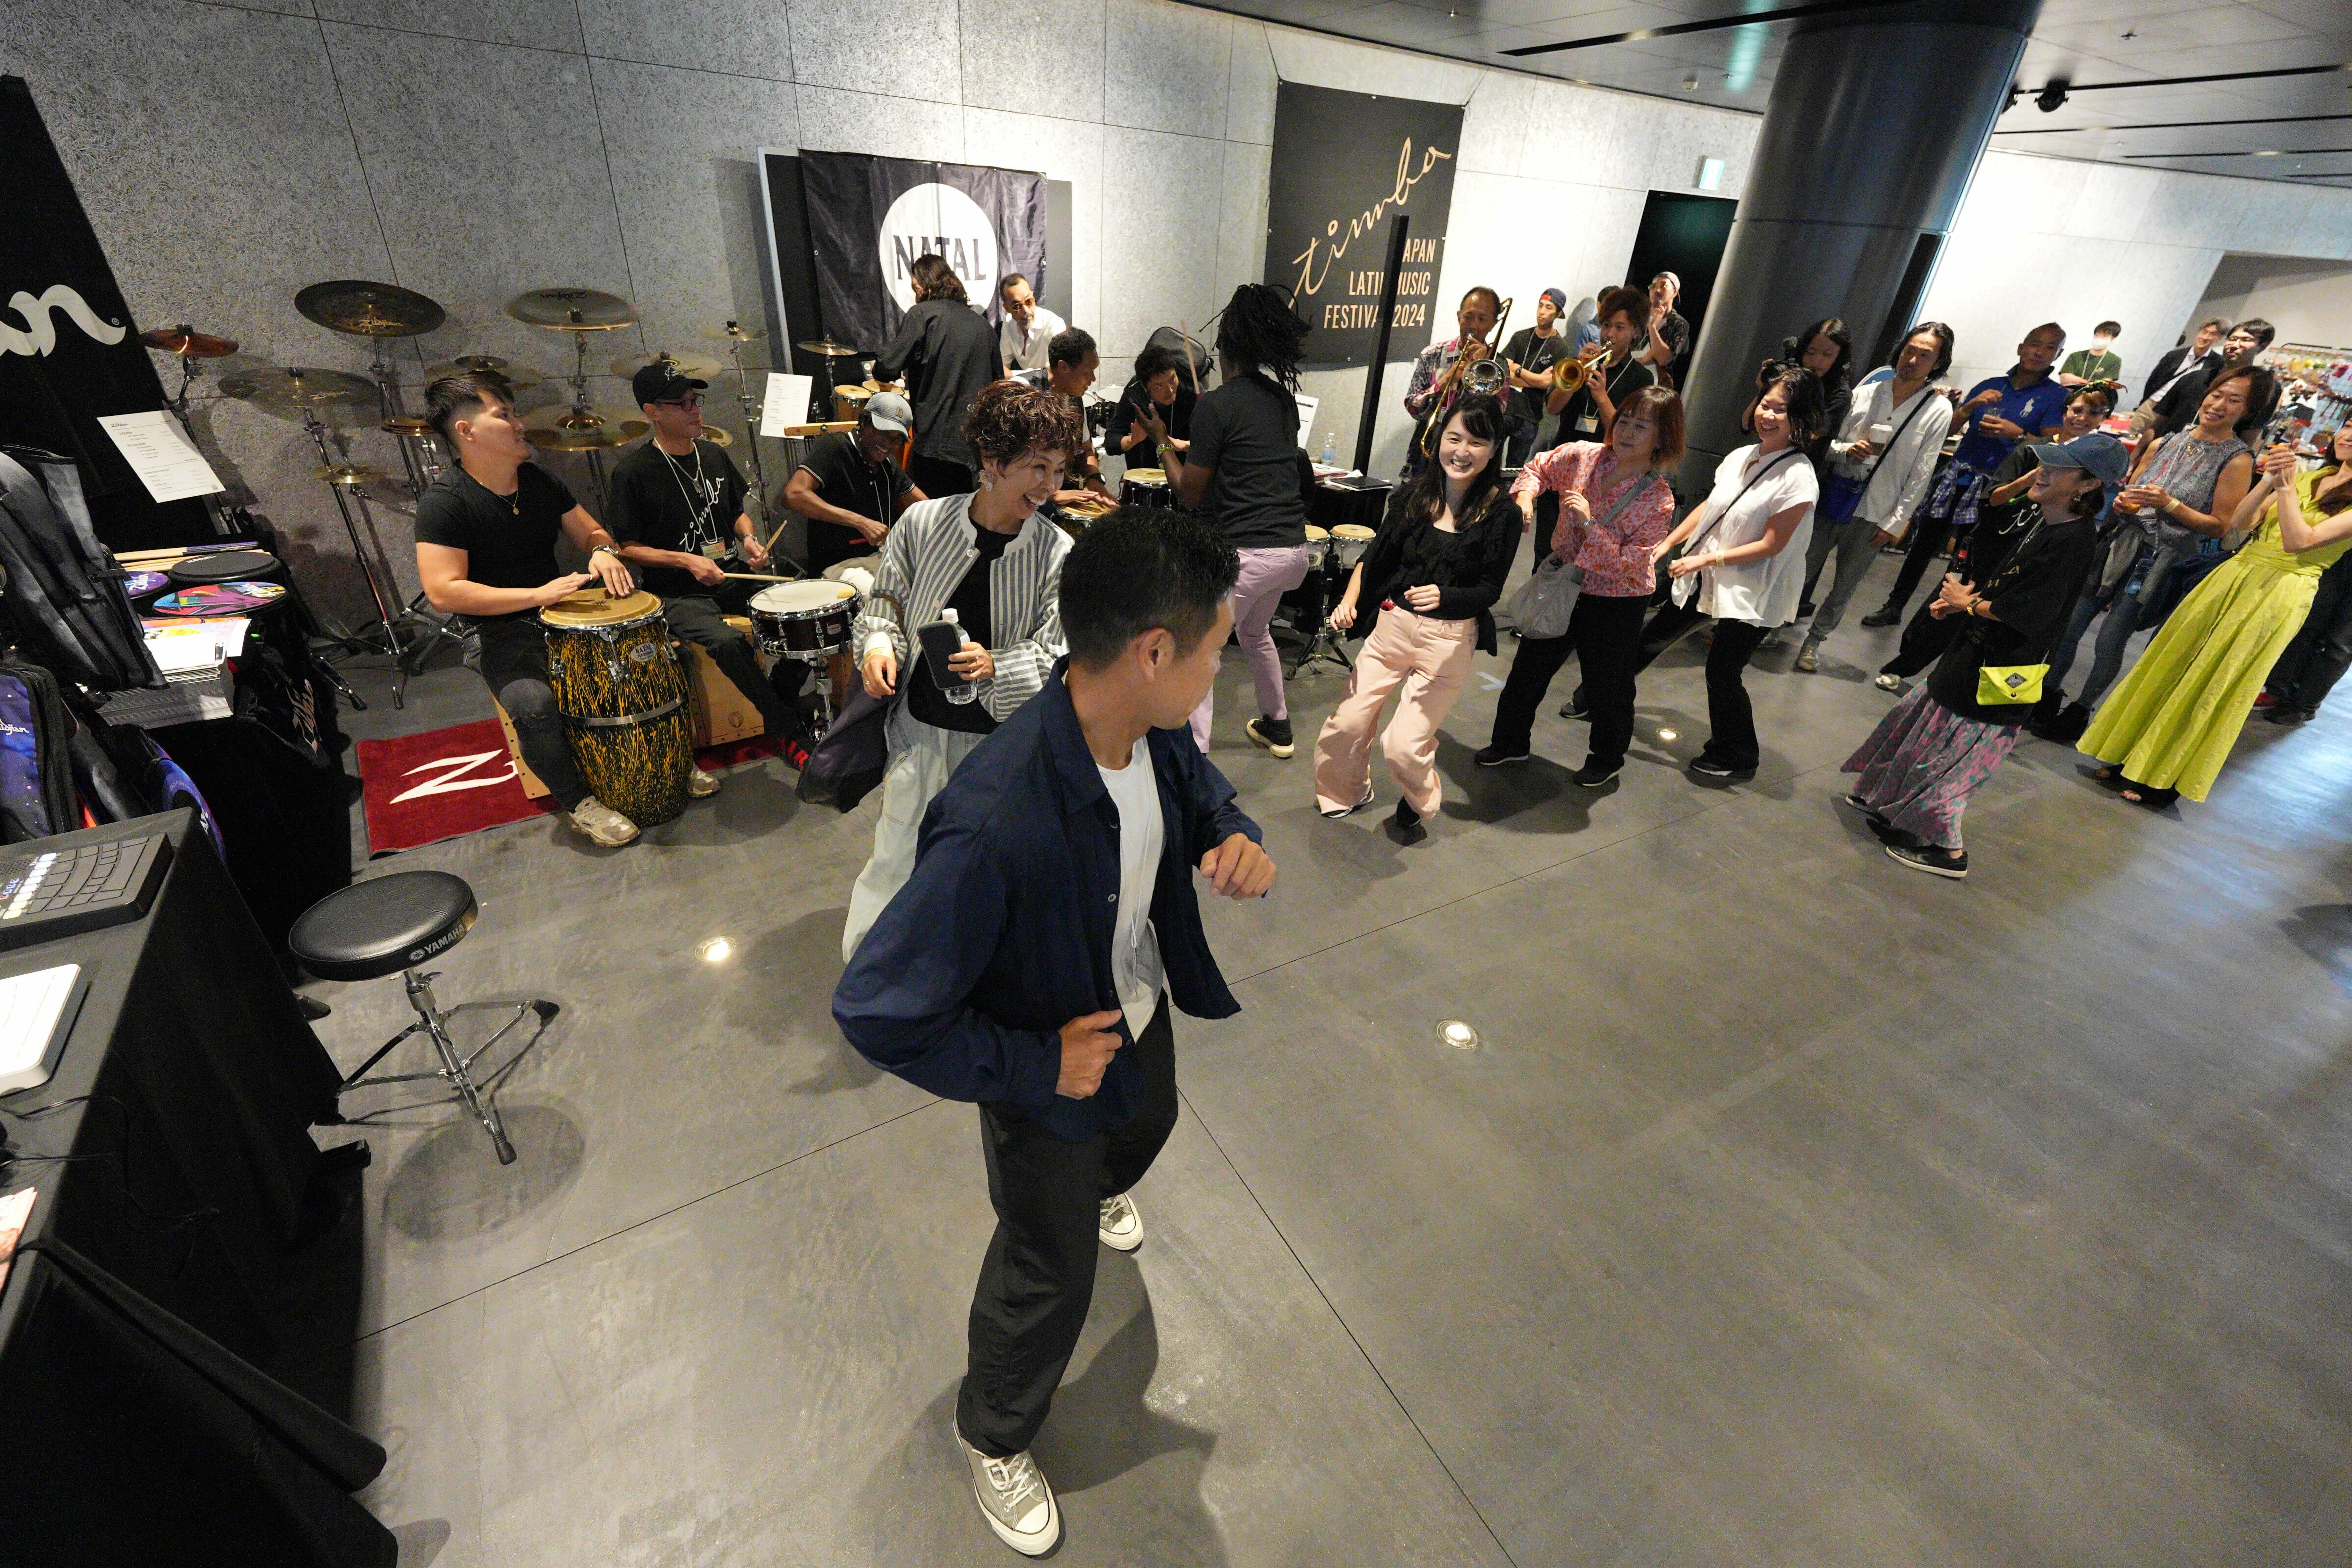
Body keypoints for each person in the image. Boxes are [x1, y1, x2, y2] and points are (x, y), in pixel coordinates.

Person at [833, 509, 1274, 1559]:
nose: (1221, 664)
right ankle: (993, 1432)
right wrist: (1035, 1065)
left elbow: (1198, 793)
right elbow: (876, 1009)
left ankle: (1093, 1187)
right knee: (1050, 1271)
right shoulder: (996, 818)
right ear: (1152, 653)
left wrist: (1232, 831)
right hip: (1049, 1075)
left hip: (1132, 1018)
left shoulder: (1149, 733)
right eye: (1215, 647)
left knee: (1152, 1118)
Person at [841, 381, 1081, 959]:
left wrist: (997, 665)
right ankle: (875, 973)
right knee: (898, 857)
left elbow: (1060, 654)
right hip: (920, 732)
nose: (1050, 487)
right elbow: (887, 603)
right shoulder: (923, 524)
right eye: (1037, 468)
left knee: (996, 868)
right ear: (992, 462)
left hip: (1004, 750)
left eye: (1059, 470)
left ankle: (975, 974)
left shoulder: (1057, 553)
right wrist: (878, 646)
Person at [1841, 433, 2118, 878]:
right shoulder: (2049, 520)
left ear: (2087, 485)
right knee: (1929, 731)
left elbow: (2029, 613)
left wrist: (1966, 603)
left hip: (2002, 671)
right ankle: (1896, 806)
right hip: (1978, 652)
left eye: (2057, 469)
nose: (2043, 472)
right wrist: (1961, 604)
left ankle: (1949, 852)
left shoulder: (2074, 540)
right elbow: (2007, 578)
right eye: (2045, 463)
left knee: (1955, 760)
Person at [412, 372, 651, 847]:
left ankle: (658, 763)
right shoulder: (445, 503)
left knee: (644, 660)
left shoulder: (538, 482)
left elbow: (591, 532)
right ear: (467, 431)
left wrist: (602, 551)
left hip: (557, 612)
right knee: (534, 704)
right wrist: (537, 595)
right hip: (495, 629)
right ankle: (579, 802)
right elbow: (444, 592)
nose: (520, 424)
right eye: (504, 415)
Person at [2081, 435, 2352, 808]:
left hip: (2279, 593)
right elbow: (2239, 524)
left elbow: (2299, 541)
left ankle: (2166, 779)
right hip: (2234, 574)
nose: (2349, 435)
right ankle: (2131, 756)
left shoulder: (2307, 487)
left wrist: (2286, 487)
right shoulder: (2310, 478)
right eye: (2348, 425)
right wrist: (2268, 480)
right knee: (2175, 662)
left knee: (2216, 682)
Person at [1312, 395, 1520, 841]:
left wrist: (1447, 596)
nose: (1462, 451)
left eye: (1477, 442)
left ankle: (1419, 796)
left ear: (1493, 450)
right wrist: (1349, 600)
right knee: (1348, 724)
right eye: (1454, 438)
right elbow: (1374, 558)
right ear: (1440, 439)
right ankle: (1345, 790)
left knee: (1403, 746)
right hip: (1392, 628)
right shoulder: (1412, 496)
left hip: (1447, 643)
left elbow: (1490, 590)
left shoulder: (1503, 513)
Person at [2030, 366, 2266, 741]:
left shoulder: (2237, 460)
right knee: (2071, 624)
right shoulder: (2165, 442)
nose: (2219, 405)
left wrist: (2169, 504)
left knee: (2111, 639)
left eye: (2234, 400)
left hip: (2162, 558)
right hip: (2120, 542)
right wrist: (2123, 502)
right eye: (2217, 394)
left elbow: (2221, 526)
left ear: (2248, 411)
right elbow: (2132, 491)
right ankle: (2045, 695)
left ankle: (2081, 710)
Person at [604, 361, 813, 765]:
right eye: (682, 404)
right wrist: (686, 561)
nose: (695, 410)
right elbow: (626, 547)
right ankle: (785, 727)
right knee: (727, 643)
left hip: (731, 574)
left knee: (804, 610)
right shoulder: (633, 471)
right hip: (678, 591)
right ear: (652, 412)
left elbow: (736, 512)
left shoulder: (713, 454)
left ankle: (780, 694)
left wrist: (749, 539)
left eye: (695, 400)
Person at [1139, 283, 1314, 759]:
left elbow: (1190, 494)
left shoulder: (1214, 405)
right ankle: (1278, 725)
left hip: (1248, 555)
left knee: (1198, 647)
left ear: (1223, 347)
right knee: (1255, 633)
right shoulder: (1282, 399)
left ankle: (1194, 753)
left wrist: (1160, 439)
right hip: (1293, 552)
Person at [1475, 385, 1683, 785]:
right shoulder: (1586, 456)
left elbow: (1626, 565)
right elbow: (1538, 467)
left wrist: (1589, 523)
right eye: (1624, 420)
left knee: (1608, 684)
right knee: (1529, 668)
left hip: (1616, 599)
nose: (1626, 432)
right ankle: (1510, 742)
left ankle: (1607, 758)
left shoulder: (1659, 500)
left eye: (1641, 427)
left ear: (1663, 438)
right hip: (1563, 583)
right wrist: (1526, 498)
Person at [1639, 369, 1824, 781]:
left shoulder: (1799, 476)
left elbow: (1772, 544)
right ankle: (1600, 697)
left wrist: (1705, 561)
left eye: (1781, 410)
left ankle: (1737, 754)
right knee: (1652, 637)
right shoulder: (1742, 456)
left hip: (1756, 589)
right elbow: (1713, 508)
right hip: (1709, 573)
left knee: (1723, 671)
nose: (1768, 415)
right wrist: (1670, 543)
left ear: (1802, 418)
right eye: (1766, 405)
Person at [1873, 381, 2111, 690]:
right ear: (2065, 411)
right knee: (1943, 610)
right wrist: (2029, 481)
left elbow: (2030, 613)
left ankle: (1951, 683)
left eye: (2094, 413)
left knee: (1983, 630)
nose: (2083, 418)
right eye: (2078, 410)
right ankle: (1905, 667)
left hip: (2026, 560)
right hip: (1990, 547)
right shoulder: (2032, 451)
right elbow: (1991, 499)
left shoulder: (2080, 511)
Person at [1861, 322, 2069, 628]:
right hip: (1958, 475)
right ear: (2021, 347)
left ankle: (1941, 618)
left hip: (1997, 487)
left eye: (2050, 347)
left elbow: (2055, 445)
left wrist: (2018, 434)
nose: (2039, 352)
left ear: (2058, 355)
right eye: (2034, 344)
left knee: (1967, 557)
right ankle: (1894, 606)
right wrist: (1970, 407)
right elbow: (1946, 431)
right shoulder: (1991, 385)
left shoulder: (2055, 396)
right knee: (1923, 546)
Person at [1794, 323, 1956, 672]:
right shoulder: (1866, 393)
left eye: (1925, 355)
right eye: (1910, 350)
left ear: (1939, 363)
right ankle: (1775, 626)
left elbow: (1923, 470)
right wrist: (1847, 451)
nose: (1913, 360)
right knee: (1799, 570)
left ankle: (1814, 642)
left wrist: (1897, 521)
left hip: (1877, 511)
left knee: (1844, 586)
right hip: (1835, 497)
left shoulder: (1937, 409)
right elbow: (1829, 446)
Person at [876, 253, 1004, 498]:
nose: (916, 294)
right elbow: (999, 387)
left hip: (935, 446)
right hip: (975, 450)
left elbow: (887, 368)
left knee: (931, 516)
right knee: (968, 515)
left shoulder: (922, 315)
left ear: (925, 286)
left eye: (916, 287)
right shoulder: (983, 327)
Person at [2258, 422, 2352, 723]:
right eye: (2348, 426)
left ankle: (2305, 704)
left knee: (2340, 641)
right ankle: (2278, 687)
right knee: (2309, 623)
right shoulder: (2327, 475)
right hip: (2329, 554)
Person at [782, 390, 925, 573]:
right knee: (882, 588)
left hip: (878, 558)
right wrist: (861, 523)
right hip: (838, 564)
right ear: (864, 423)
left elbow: (924, 506)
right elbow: (793, 495)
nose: (890, 444)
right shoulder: (836, 446)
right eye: (884, 433)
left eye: (897, 439)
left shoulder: (889, 464)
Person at [1538, 285, 1653, 472]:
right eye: (1606, 325)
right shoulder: (1581, 364)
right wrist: (1576, 374)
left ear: (1636, 332)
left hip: (1603, 468)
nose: (1610, 334)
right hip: (1564, 458)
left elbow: (1625, 433)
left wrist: (1602, 397)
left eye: (1620, 327)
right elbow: (1552, 409)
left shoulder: (1641, 378)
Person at [1401, 286, 1503, 473]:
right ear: (1459, 317)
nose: (1474, 325)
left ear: (1493, 325)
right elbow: (1412, 407)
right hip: (1427, 449)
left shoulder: (1498, 365)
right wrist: (1445, 381)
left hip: (1469, 457)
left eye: (1482, 319)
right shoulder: (1432, 354)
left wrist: (1481, 370)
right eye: (1468, 317)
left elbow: (1498, 416)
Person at [2141, 318, 2274, 439]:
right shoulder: (2194, 377)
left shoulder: (2261, 387)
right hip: (2168, 448)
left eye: (2246, 340)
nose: (2235, 345)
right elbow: (2158, 424)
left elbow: (2250, 435)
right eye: (2233, 339)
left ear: (2263, 346)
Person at [1501, 287, 1570, 466]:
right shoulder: (1521, 337)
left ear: (1558, 314)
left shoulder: (1561, 347)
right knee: (1489, 459)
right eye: (1541, 305)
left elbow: (1547, 383)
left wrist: (1518, 370)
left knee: (1514, 468)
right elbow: (1503, 371)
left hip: (1530, 416)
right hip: (1504, 408)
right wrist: (1536, 380)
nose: (1542, 312)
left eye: (1549, 308)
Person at [1042, 328, 1111, 501]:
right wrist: (1052, 495)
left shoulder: (1075, 398)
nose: (1093, 379)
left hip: (1063, 496)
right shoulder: (1023, 393)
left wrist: (1094, 478)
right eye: (1087, 372)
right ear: (1063, 367)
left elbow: (1085, 450)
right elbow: (1006, 467)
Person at [1104, 344, 1193, 476]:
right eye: (1160, 386)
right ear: (1145, 387)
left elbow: (1210, 445)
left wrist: (1182, 445)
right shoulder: (1135, 392)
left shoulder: (1190, 391)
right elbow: (1111, 443)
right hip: (1144, 477)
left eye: (1172, 379)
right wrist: (1132, 440)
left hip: (1184, 478)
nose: (1170, 390)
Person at [2141, 318, 2226, 407]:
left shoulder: (2218, 363)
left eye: (2212, 334)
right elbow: (2153, 380)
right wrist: (2145, 401)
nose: (2205, 337)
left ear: (2219, 339)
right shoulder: (2174, 355)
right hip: (2153, 403)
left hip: (2179, 410)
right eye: (2204, 332)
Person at [996, 273, 1065, 373]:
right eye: (1017, 306)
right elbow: (1002, 366)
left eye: (1029, 301)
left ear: (1033, 297)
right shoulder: (1009, 323)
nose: (1026, 311)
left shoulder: (1054, 325)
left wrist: (1012, 375)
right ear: (1007, 309)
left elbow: (1053, 374)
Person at [1632, 272, 1690, 389]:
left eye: (1664, 286)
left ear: (1674, 293)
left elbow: (1664, 359)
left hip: (1654, 386)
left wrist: (1653, 327)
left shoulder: (1679, 324)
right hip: (1629, 373)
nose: (1657, 290)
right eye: (1653, 286)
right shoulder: (1640, 315)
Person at [2060, 321, 2123, 388]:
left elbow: (2105, 384)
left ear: (2113, 338)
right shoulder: (2076, 356)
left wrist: (2080, 382)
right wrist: (2090, 384)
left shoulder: (2114, 360)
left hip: (2095, 394)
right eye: (2098, 335)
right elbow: (2065, 378)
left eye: (2105, 336)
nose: (2100, 339)